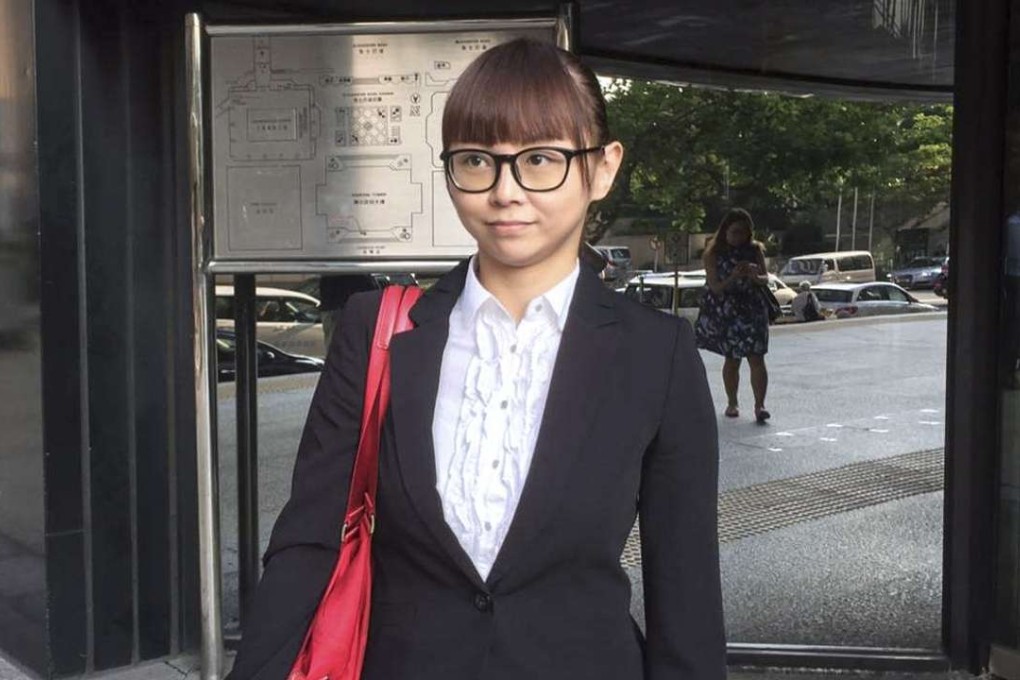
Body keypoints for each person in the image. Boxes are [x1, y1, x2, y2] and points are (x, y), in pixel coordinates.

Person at [228, 39, 725, 680]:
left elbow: (685, 590)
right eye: (476, 161)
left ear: (603, 168)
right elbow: (308, 541)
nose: (504, 191)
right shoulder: (378, 332)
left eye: (540, 159)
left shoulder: (657, 354)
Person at [695, 208, 771, 422]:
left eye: (745, 232)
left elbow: (765, 278)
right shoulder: (713, 254)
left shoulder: (754, 250)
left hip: (753, 309)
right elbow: (715, 287)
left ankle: (760, 405)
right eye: (736, 232)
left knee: (757, 357)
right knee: (732, 359)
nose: (740, 237)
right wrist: (734, 276)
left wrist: (755, 276)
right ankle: (732, 402)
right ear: (725, 231)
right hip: (729, 312)